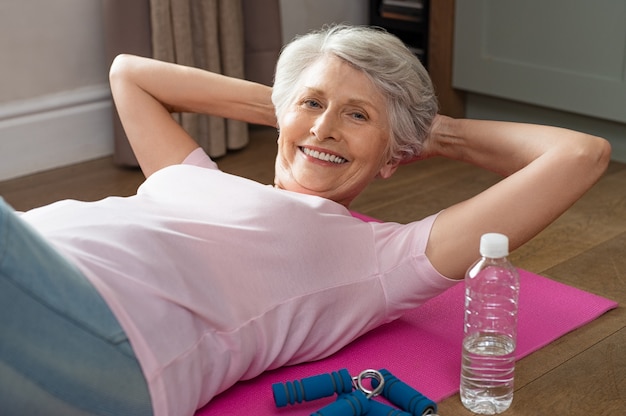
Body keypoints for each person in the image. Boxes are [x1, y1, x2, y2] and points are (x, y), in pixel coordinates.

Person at [0, 24, 610, 416]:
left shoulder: (383, 260)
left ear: (397, 156)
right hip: (36, 280)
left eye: (356, 117)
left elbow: (580, 155)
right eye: (313, 106)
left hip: (102, 337)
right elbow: (130, 73)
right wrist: (300, 104)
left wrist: (422, 130)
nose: (323, 128)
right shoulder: (192, 176)